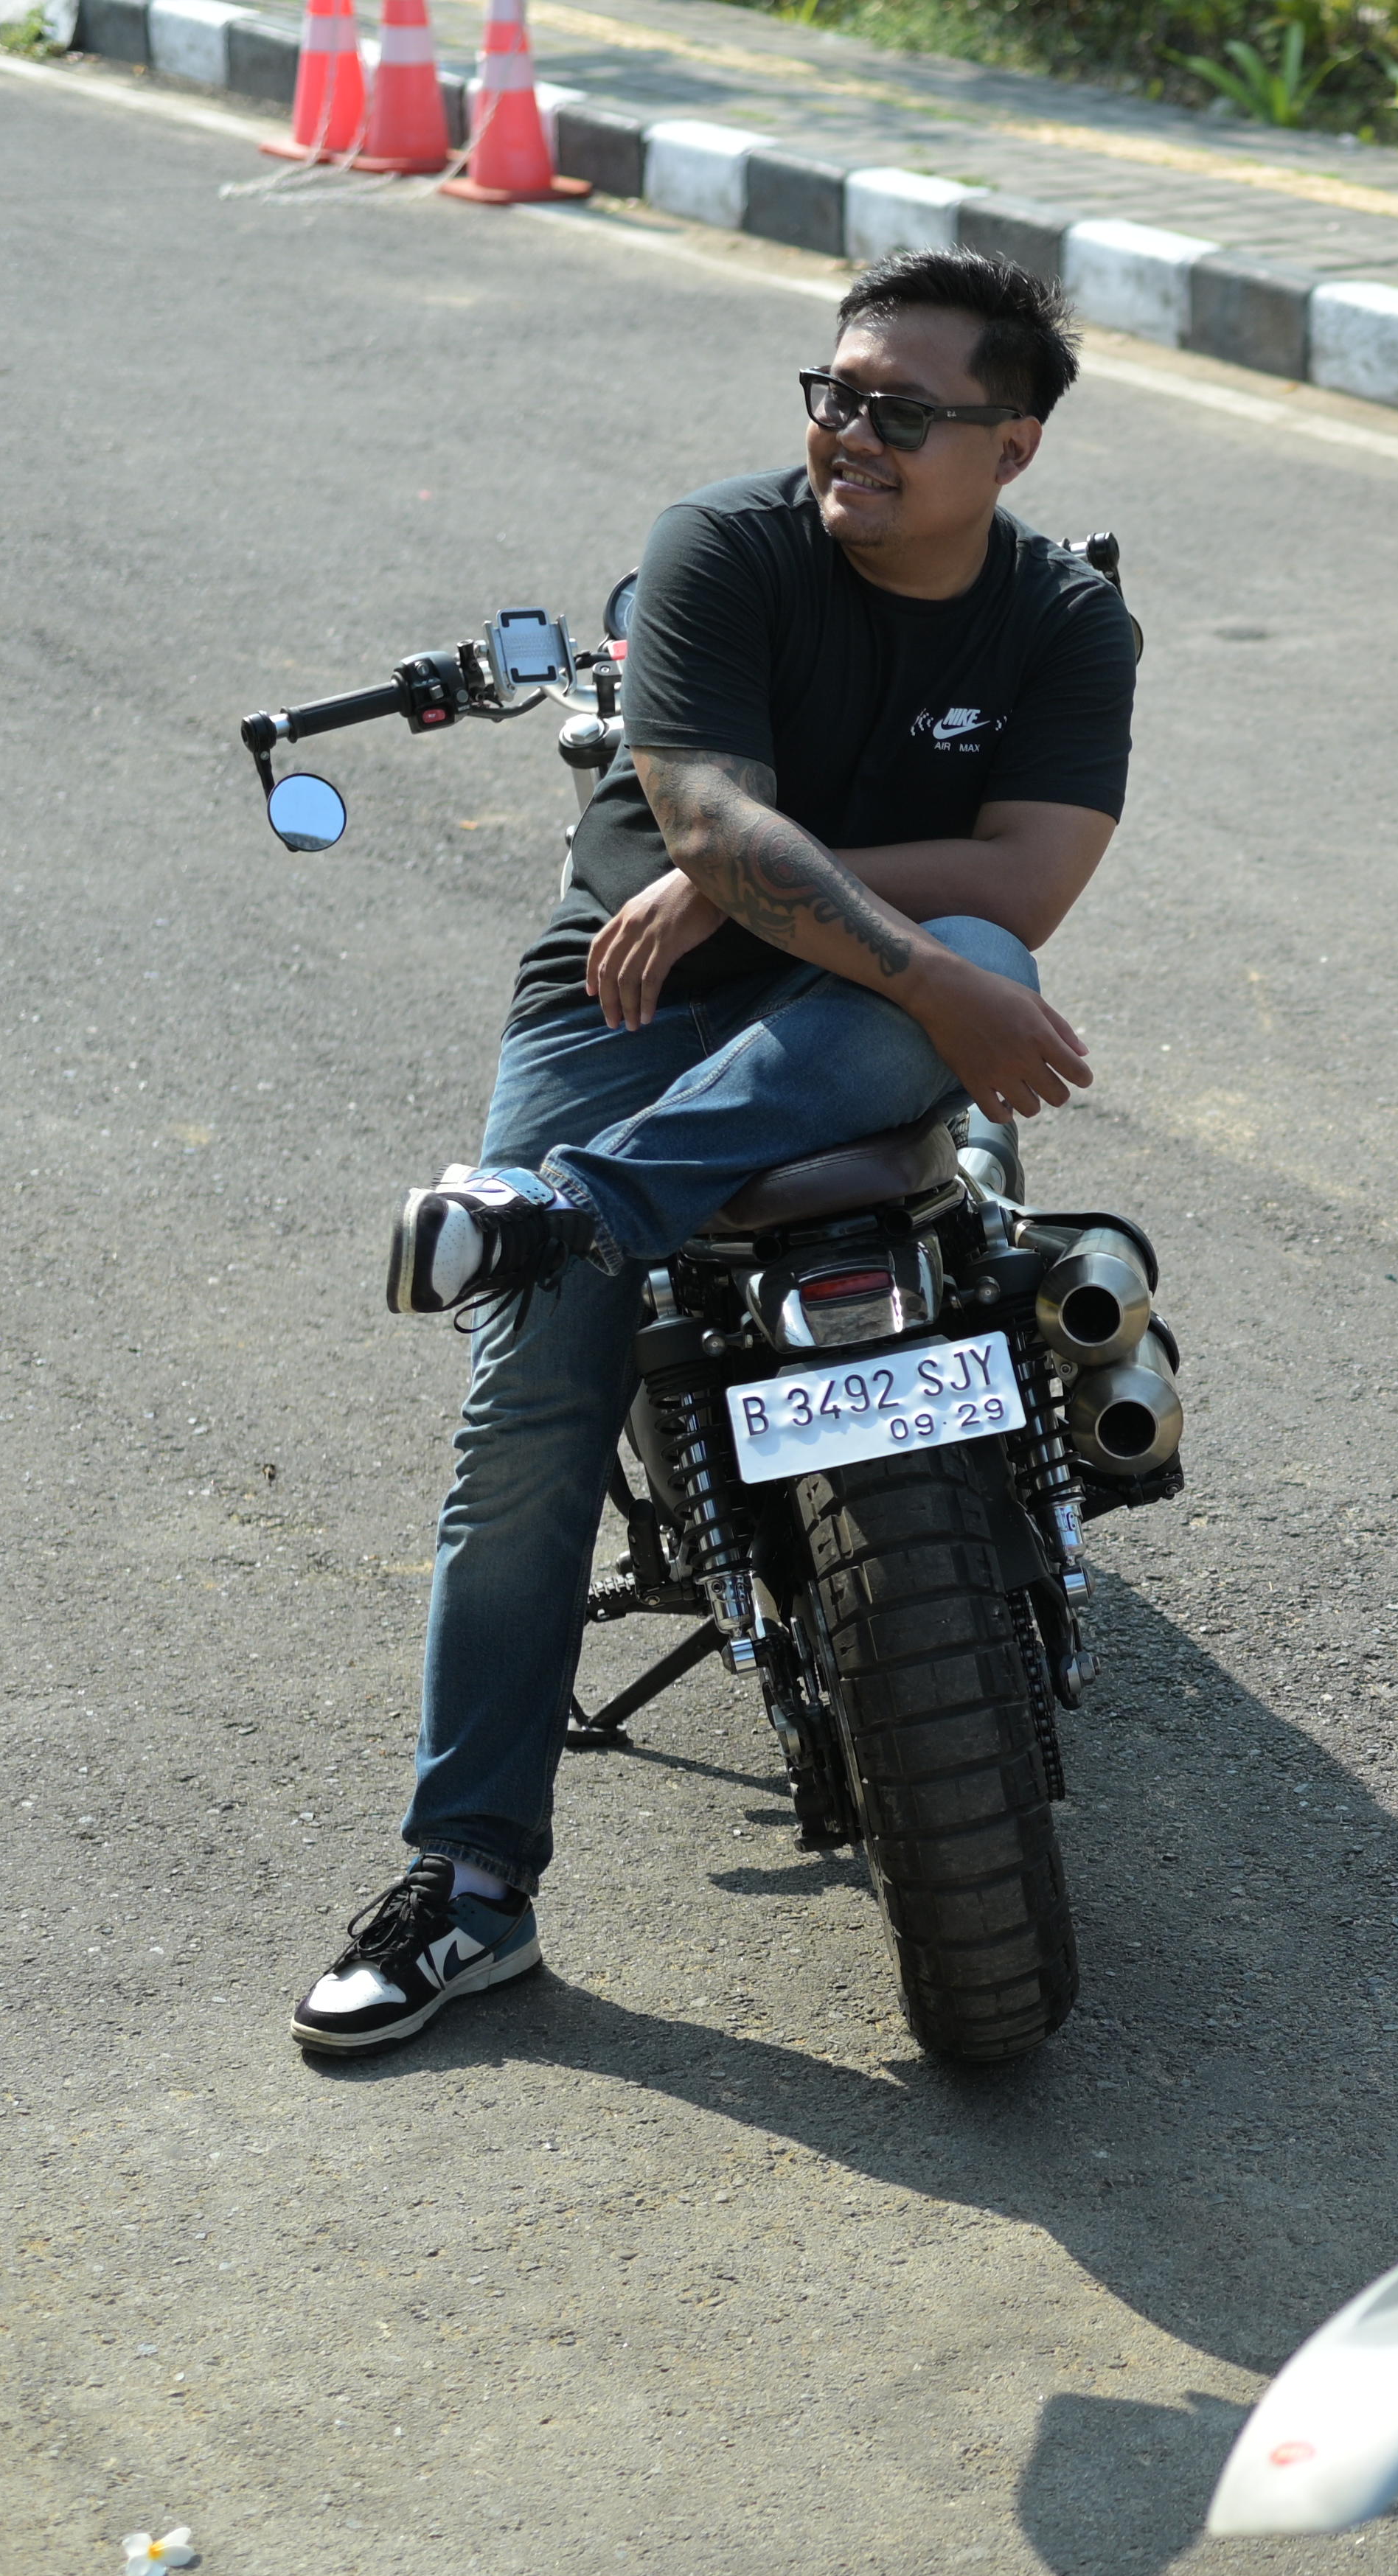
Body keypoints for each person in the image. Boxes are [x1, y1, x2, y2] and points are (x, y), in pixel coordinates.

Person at [294, 248, 1138, 2055]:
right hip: (626, 1013)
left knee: (984, 960)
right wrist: (748, 873)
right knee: (528, 1420)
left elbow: (1026, 882)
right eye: (834, 393)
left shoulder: (1066, 624)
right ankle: (469, 1888)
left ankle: (558, 1214)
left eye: (906, 411)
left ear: (1018, 447)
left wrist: (764, 881)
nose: (852, 432)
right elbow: (709, 808)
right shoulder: (723, 550)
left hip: (851, 1020)